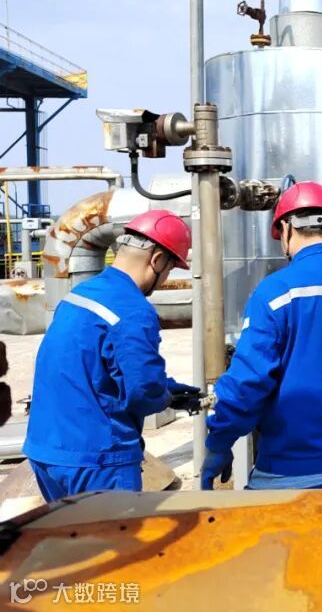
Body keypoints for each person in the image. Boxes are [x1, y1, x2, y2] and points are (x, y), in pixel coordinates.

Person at [201, 181, 322, 490]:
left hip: (294, 465)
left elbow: (248, 381)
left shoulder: (275, 292)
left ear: (287, 228)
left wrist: (220, 441)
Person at [24, 210, 199, 500]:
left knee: (71, 531)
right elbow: (143, 392)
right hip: (98, 459)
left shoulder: (80, 295)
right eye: (169, 269)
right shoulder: (132, 309)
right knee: (115, 531)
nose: (165, 279)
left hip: (47, 451)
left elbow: (92, 370)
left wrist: (166, 387)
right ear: (157, 260)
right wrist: (164, 395)